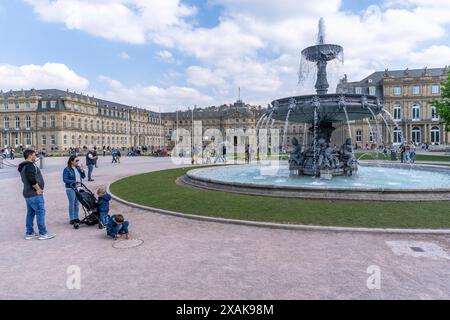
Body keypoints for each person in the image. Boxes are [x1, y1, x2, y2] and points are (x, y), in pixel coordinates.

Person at [18, 149, 55, 240]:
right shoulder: (30, 166)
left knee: (30, 213)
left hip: (27, 193)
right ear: (30, 155)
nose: (36, 156)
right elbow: (31, 179)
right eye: (35, 154)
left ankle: (29, 232)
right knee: (40, 212)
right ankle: (43, 233)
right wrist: (38, 189)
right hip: (34, 193)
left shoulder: (23, 166)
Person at [63, 155, 86, 228]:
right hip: (70, 188)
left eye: (78, 160)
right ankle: (71, 218)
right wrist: (74, 181)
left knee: (77, 203)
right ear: (71, 161)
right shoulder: (66, 169)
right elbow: (65, 179)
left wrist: (82, 170)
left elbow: (83, 177)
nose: (77, 162)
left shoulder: (78, 168)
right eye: (76, 161)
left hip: (78, 188)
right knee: (72, 203)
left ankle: (76, 217)